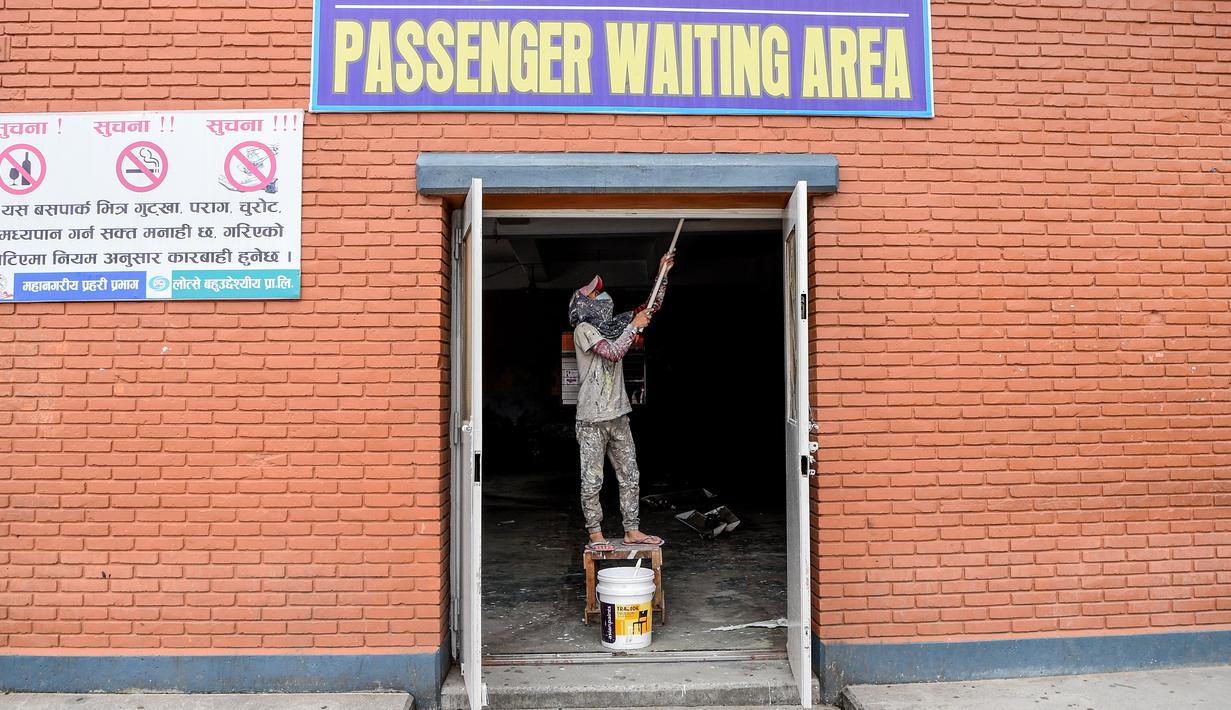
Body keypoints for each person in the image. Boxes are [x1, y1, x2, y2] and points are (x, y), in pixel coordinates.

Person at [567, 254, 674, 551]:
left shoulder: (612, 326)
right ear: (583, 304)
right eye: (595, 294)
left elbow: (649, 307)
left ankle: (632, 530)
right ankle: (595, 534)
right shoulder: (584, 330)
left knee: (630, 475)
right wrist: (633, 327)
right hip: (592, 419)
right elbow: (613, 353)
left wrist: (662, 274)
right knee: (593, 479)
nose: (602, 297)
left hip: (618, 415)